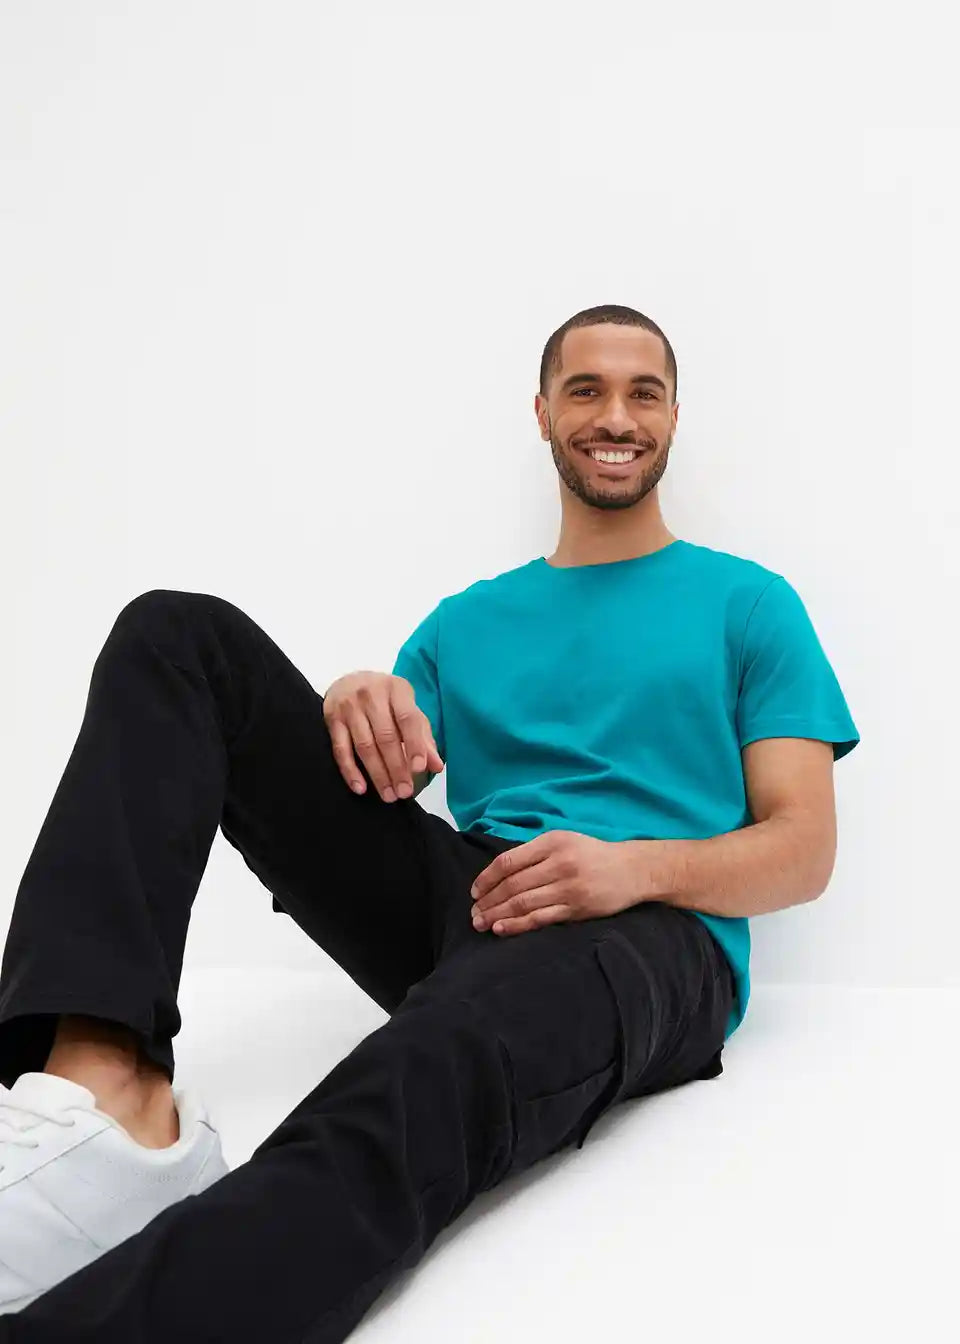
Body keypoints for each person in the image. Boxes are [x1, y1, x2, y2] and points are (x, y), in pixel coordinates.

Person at [0, 304, 860, 1341]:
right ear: (543, 414)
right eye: (585, 389)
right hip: (476, 894)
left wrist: (631, 870)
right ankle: (107, 1097)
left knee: (415, 1074)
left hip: (650, 935)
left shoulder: (748, 603)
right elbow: (388, 777)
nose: (615, 416)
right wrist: (351, 703)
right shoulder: (465, 622)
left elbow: (803, 850)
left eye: (644, 392)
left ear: (674, 416)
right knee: (177, 636)